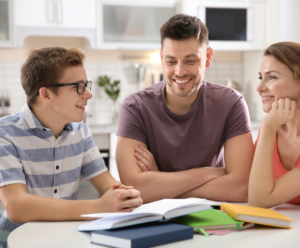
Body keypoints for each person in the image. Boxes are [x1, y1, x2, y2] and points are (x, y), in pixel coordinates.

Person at [0, 47, 142, 248]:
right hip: (16, 242)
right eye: (78, 86)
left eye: (86, 85)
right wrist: (99, 207)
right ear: (46, 95)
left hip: (64, 240)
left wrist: (126, 196)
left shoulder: (80, 131)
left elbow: (108, 185)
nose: (89, 94)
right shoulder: (5, 133)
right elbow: (16, 206)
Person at [116, 14, 254, 203]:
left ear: (208, 57)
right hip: (155, 220)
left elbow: (242, 187)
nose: (180, 72)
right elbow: (136, 188)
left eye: (190, 61)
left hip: (215, 218)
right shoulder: (135, 107)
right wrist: (208, 173)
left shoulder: (231, 103)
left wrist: (161, 187)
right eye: (171, 61)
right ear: (161, 58)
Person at [249, 42, 300, 208]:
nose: (259, 87)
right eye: (260, 77)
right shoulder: (274, 128)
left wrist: (268, 127)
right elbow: (247, 185)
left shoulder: (270, 127)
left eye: (271, 77)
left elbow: (259, 201)